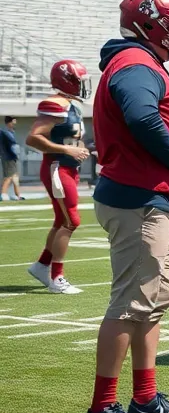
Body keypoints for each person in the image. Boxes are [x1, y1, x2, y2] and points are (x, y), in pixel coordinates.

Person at [85, 0, 169, 413]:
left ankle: (145, 397)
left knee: (154, 298)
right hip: (139, 199)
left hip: (150, 199)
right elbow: (142, 117)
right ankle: (101, 410)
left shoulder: (138, 62)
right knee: (131, 302)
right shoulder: (135, 64)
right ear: (149, 24)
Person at [25, 60, 92, 294]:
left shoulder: (71, 105)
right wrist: (67, 150)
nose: (83, 86)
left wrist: (81, 148)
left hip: (67, 168)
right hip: (56, 167)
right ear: (67, 81)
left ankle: (42, 265)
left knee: (61, 220)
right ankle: (57, 277)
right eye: (78, 81)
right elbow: (33, 138)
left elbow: (66, 138)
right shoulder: (54, 104)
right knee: (71, 221)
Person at [1, 116, 24, 201]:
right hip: (8, 157)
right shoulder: (4, 132)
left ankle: (17, 195)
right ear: (9, 122)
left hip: (13, 157)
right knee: (9, 176)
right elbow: (10, 145)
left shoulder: (11, 132)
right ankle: (3, 195)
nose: (15, 122)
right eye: (13, 121)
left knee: (15, 177)